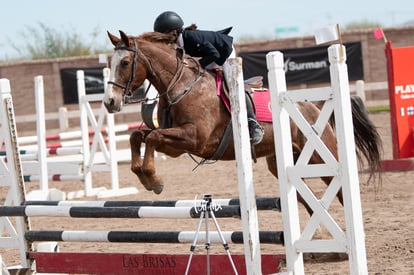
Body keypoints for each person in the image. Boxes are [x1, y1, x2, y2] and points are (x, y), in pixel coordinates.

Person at [153, 11, 264, 145]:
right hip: (214, 55)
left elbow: (214, 54)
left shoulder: (191, 38)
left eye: (164, 35)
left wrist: (199, 64)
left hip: (225, 53)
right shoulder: (179, 43)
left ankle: (253, 124)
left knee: (233, 85)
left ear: (175, 31)